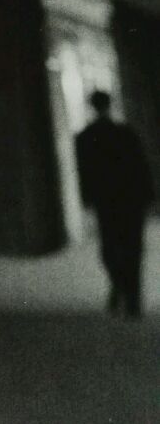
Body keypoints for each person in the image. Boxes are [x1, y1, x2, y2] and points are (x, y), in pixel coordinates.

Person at [76, 89, 154, 318]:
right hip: (130, 199)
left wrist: (87, 198)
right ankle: (132, 297)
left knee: (110, 247)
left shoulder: (86, 137)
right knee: (132, 248)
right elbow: (141, 166)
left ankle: (120, 286)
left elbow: (84, 173)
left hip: (107, 201)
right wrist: (149, 196)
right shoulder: (125, 133)